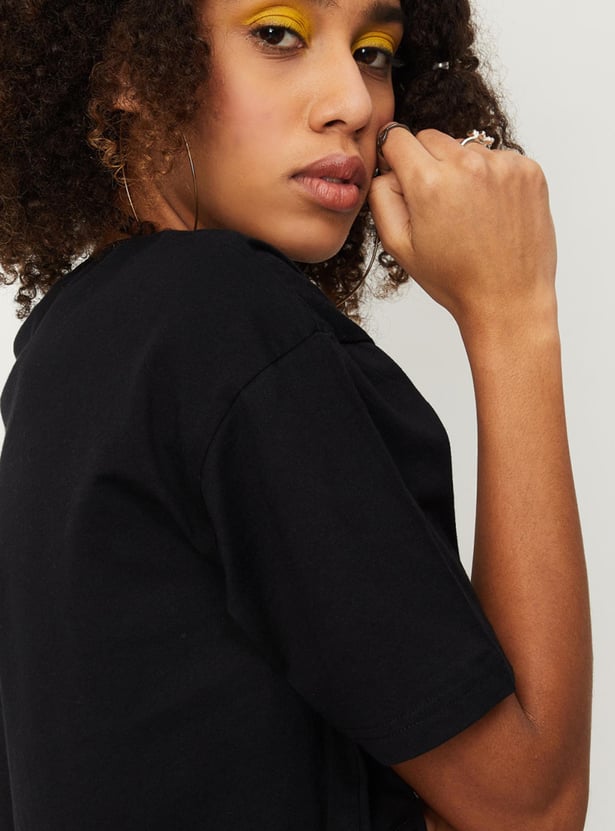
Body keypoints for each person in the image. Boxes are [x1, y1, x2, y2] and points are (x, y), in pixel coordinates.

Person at [0, 0, 592, 829]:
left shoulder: (72, 347)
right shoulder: (224, 320)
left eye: (374, 51)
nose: (354, 101)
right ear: (130, 65)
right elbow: (529, 808)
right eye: (277, 34)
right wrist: (513, 313)